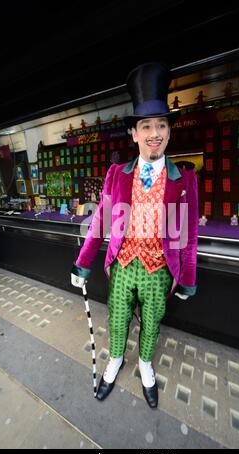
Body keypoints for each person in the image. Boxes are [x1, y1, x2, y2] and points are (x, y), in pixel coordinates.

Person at [71, 63, 198, 409]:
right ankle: (115, 361)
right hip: (123, 267)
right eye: (146, 126)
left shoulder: (184, 179)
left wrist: (186, 277)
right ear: (135, 133)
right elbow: (99, 222)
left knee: (152, 322)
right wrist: (83, 264)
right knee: (117, 317)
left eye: (161, 125)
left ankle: (144, 365)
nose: (154, 133)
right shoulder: (117, 174)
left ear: (169, 131)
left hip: (160, 271)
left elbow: (188, 236)